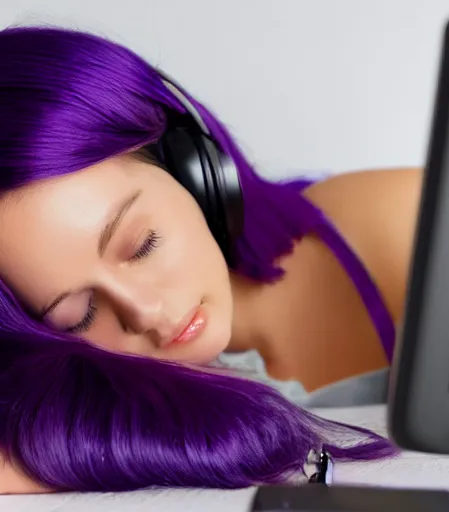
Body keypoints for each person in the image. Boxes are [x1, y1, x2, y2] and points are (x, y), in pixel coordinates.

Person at [0, 25, 421, 495]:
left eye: (142, 244)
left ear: (193, 170)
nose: (146, 312)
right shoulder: (70, 402)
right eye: (78, 316)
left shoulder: (393, 223)